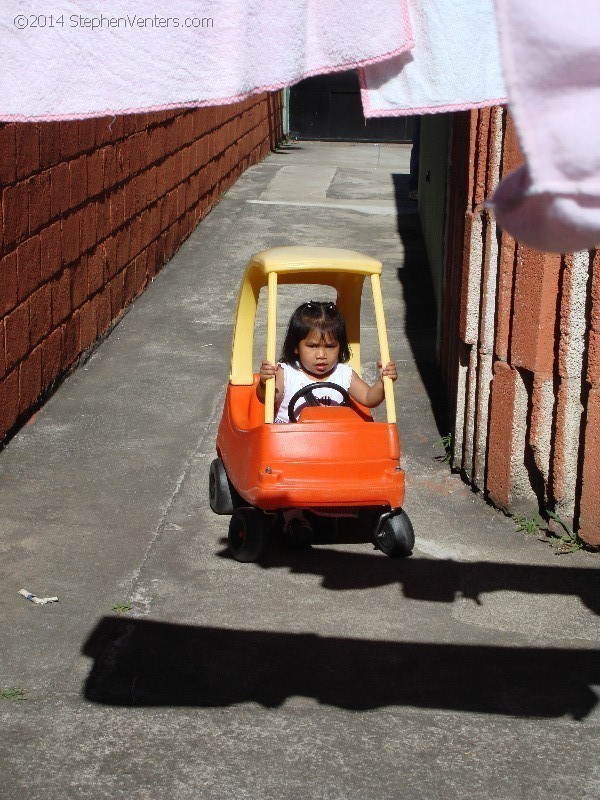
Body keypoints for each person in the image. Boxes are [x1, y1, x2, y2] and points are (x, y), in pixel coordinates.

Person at [257, 300, 397, 423]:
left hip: (332, 442)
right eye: (313, 346)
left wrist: (382, 382)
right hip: (290, 442)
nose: (322, 355)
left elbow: (368, 398)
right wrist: (265, 383)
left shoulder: (344, 374)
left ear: (340, 347)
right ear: (295, 347)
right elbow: (267, 399)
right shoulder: (286, 373)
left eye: (330, 346)